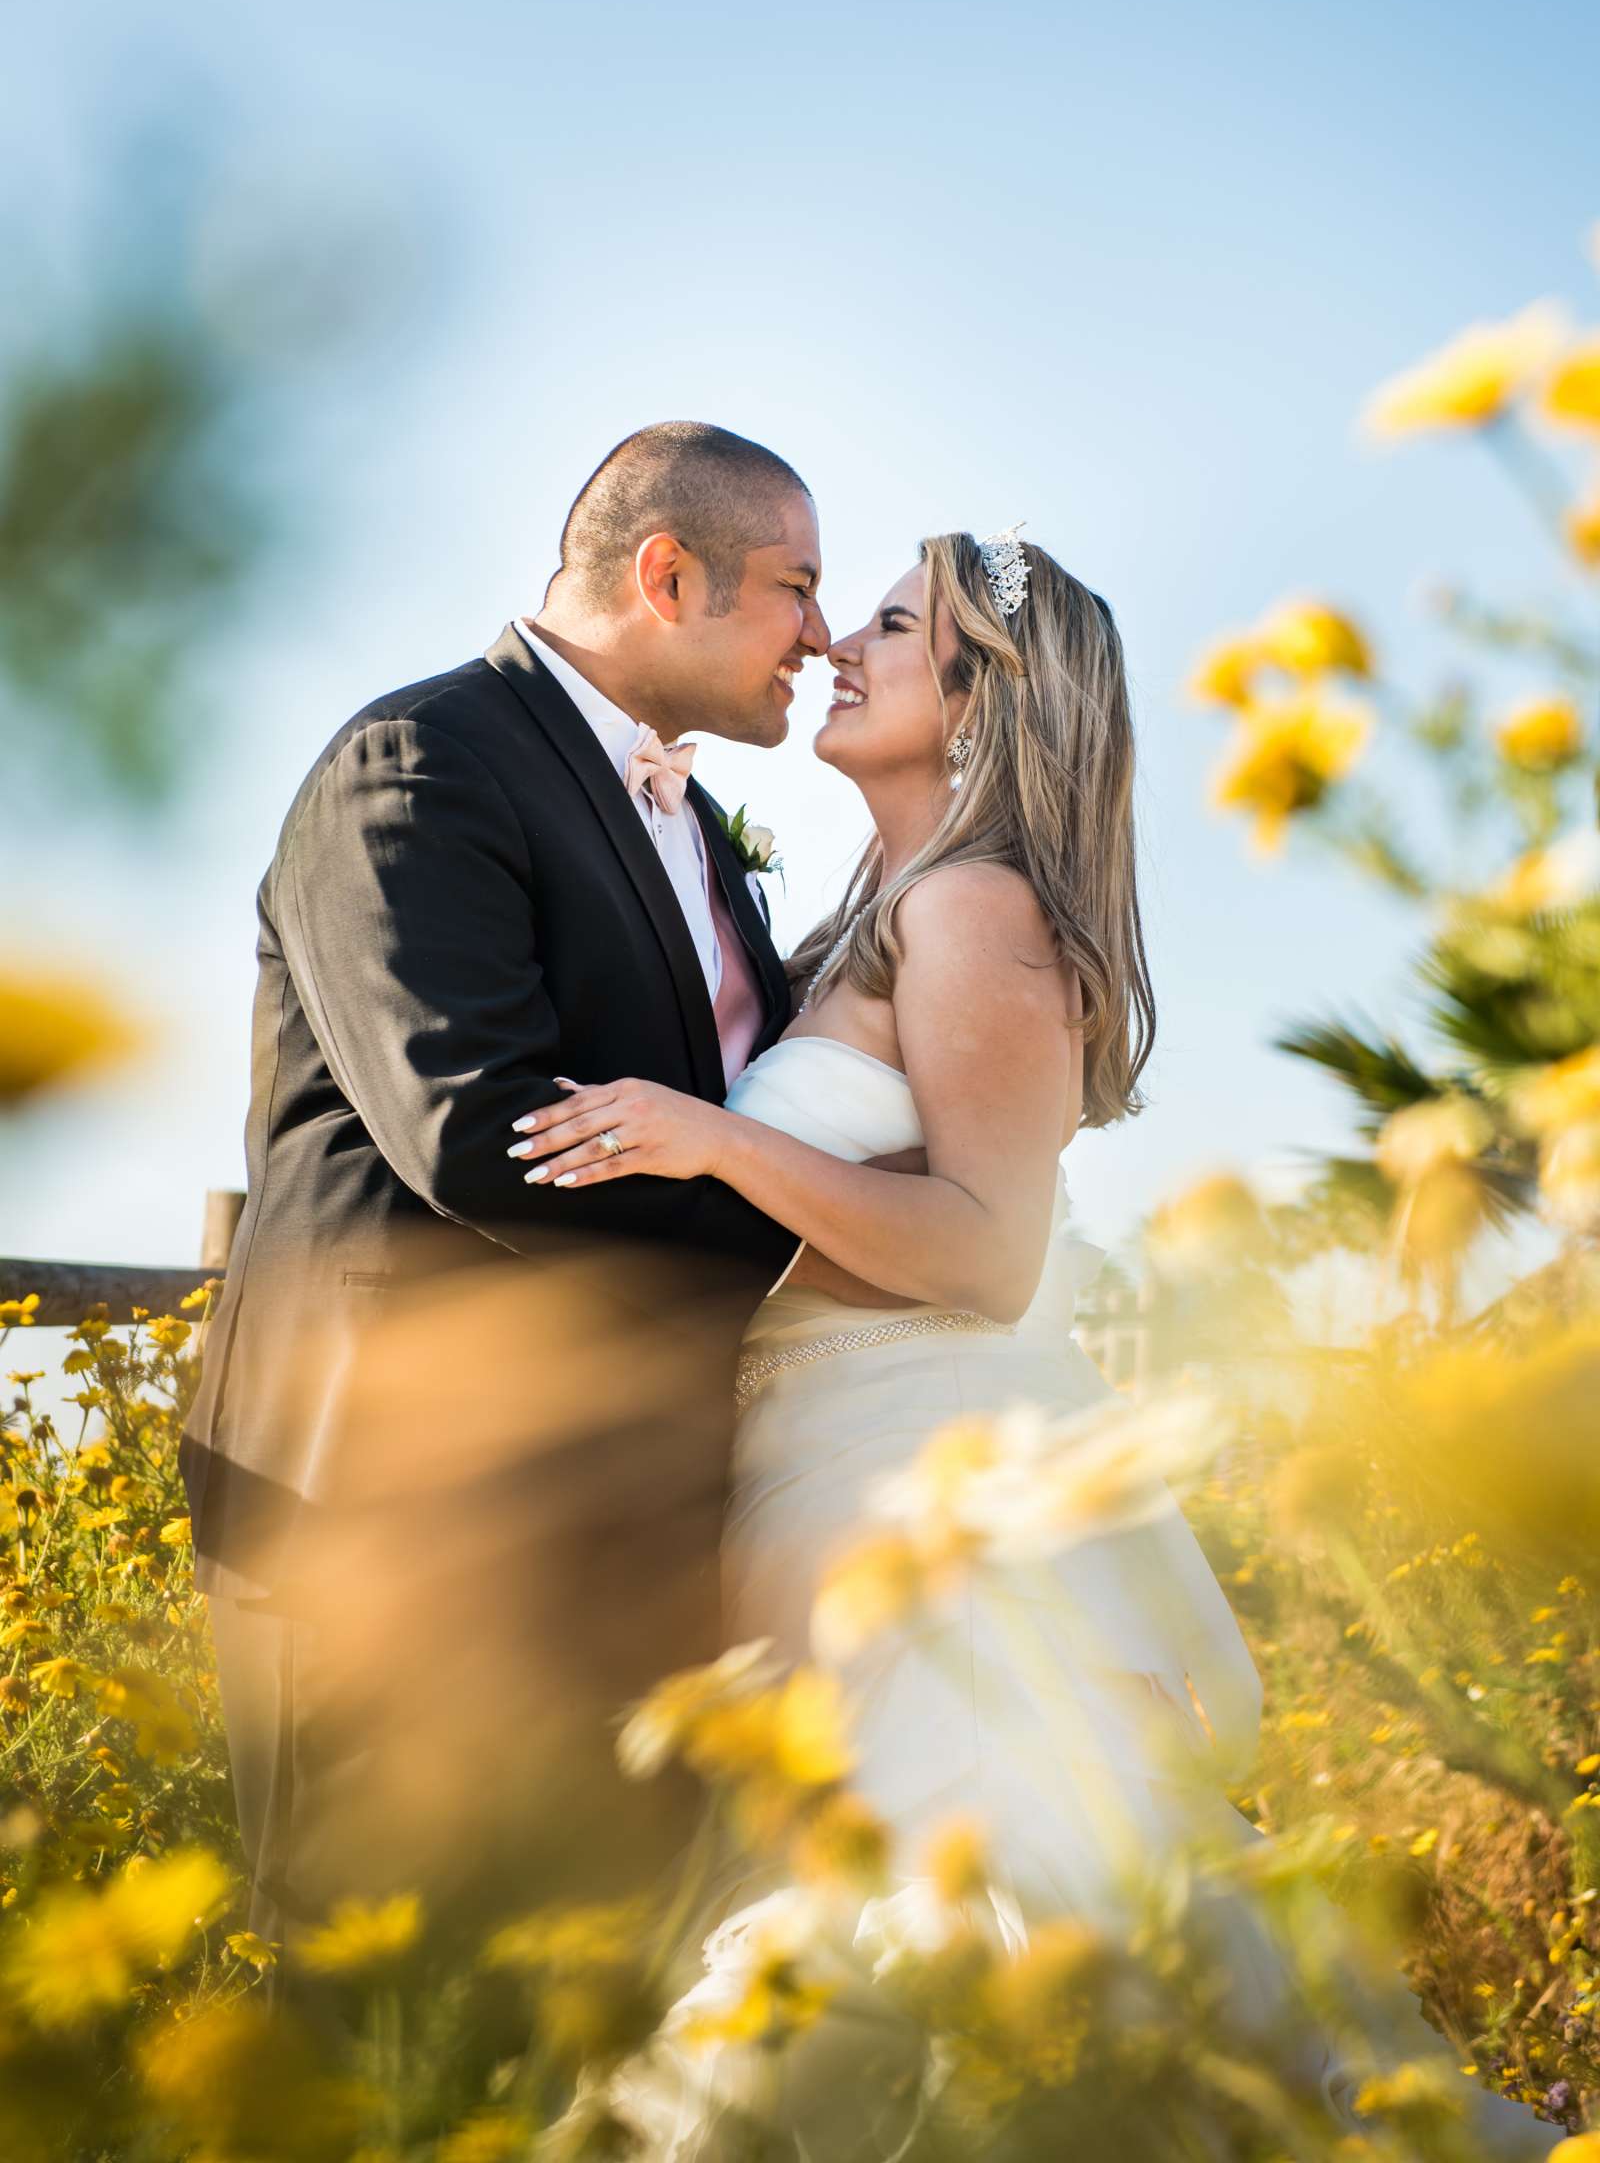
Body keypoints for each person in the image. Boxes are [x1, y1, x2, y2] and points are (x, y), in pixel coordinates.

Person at [510, 528, 1565, 2156]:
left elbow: (989, 1257)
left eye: (889, 623)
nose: (836, 646)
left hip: (909, 1470)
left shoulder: (978, 908)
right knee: (884, 1906)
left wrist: (717, 1144)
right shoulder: (882, 909)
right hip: (814, 1464)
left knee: (966, 1885)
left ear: (984, 704)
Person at [180, 421, 869, 1959]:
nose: (821, 636)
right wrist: (825, 1237)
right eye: (796, 586)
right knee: (391, 2012)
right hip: (402, 1505)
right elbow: (477, 1128)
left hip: (631, 1524)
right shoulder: (421, 762)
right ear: (666, 573)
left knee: (587, 2018)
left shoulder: (697, 827)